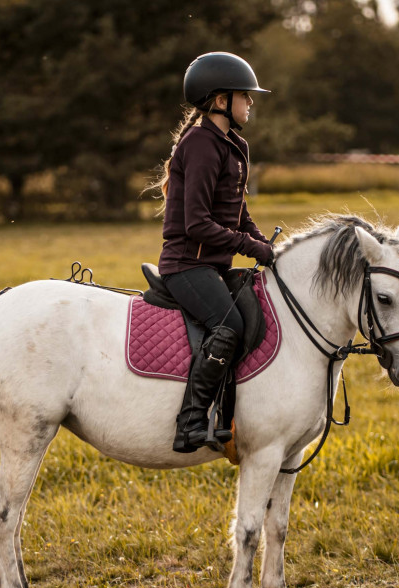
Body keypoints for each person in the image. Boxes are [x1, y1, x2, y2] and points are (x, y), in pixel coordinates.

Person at [153, 52, 274, 454]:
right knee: (231, 326)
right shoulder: (201, 143)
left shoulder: (233, 144)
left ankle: (229, 417)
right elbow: (197, 225)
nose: (251, 103)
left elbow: (238, 213)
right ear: (221, 101)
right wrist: (249, 246)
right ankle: (189, 423)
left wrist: (266, 246)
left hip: (213, 264)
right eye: (245, 96)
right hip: (186, 265)